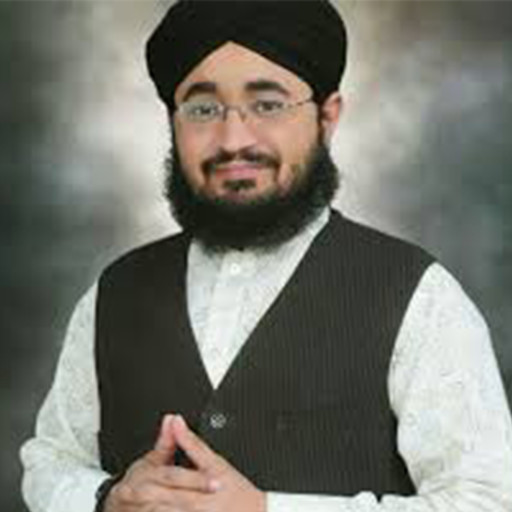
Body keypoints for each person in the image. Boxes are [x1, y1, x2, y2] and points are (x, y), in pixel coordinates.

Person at [20, 1, 512, 511]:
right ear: (172, 121)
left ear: (327, 117)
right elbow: (52, 460)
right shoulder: (115, 292)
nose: (234, 140)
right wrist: (107, 499)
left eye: (268, 104)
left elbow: (485, 500)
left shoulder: (420, 296)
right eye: (203, 109)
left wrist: (268, 509)